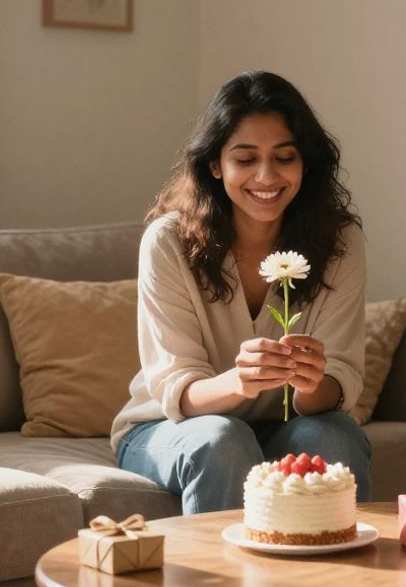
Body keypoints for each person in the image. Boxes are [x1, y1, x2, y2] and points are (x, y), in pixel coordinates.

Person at [111, 70, 371, 514]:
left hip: (283, 427)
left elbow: (340, 384)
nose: (266, 176)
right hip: (169, 426)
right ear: (216, 164)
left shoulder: (339, 243)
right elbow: (180, 391)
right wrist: (239, 381)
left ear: (304, 163)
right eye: (245, 159)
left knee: (334, 434)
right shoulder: (168, 242)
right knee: (225, 439)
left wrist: (310, 383)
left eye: (284, 157)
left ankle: (343, 581)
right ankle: (222, 585)